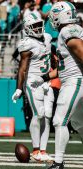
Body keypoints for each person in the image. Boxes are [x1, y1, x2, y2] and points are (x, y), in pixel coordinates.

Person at [44, 2, 83, 168]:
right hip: (72, 79)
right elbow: (66, 66)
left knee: (60, 120)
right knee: (79, 124)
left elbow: (80, 51)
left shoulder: (68, 30)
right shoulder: (67, 31)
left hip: (76, 81)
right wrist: (45, 76)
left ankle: (58, 162)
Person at [11, 14, 54, 162]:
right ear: (27, 28)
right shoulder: (26, 43)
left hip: (46, 81)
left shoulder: (48, 37)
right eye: (34, 26)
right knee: (39, 114)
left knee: (48, 116)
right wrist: (19, 88)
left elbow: (51, 56)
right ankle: (36, 150)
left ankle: (43, 150)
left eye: (39, 25)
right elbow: (22, 68)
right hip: (32, 82)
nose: (38, 28)